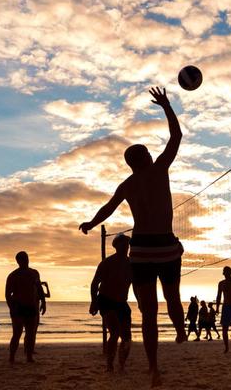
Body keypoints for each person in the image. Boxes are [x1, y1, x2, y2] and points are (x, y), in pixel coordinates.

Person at [79, 87, 187, 387]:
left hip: (140, 249)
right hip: (164, 245)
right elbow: (176, 137)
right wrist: (166, 106)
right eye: (150, 153)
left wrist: (90, 222)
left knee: (148, 314)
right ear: (148, 157)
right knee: (173, 297)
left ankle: (154, 369)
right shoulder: (160, 169)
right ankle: (180, 329)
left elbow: (107, 209)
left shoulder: (127, 184)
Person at [89, 234, 133, 372]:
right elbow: (94, 284)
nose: (125, 246)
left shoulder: (131, 263)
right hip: (106, 300)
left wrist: (141, 301)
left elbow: (136, 285)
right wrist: (94, 302)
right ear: (116, 245)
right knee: (114, 333)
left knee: (127, 338)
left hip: (122, 302)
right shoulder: (107, 263)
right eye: (122, 244)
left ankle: (121, 365)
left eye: (127, 244)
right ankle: (109, 365)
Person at [5, 251, 46, 364]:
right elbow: (8, 294)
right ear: (18, 261)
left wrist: (43, 301)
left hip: (31, 307)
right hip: (18, 307)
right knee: (17, 333)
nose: (26, 261)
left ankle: (29, 356)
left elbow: (39, 288)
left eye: (26, 258)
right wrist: (11, 308)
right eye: (23, 259)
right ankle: (12, 357)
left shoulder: (34, 273)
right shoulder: (13, 275)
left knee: (30, 333)